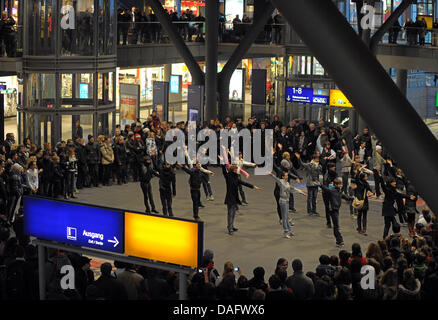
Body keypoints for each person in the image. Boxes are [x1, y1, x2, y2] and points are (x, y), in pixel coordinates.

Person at [219, 160, 261, 235]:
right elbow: (224, 171)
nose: (237, 170)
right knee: (230, 213)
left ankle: (231, 226)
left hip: (235, 197)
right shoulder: (228, 176)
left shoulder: (236, 178)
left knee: (233, 213)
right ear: (233, 170)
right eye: (236, 169)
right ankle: (230, 229)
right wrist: (222, 163)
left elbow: (244, 183)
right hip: (230, 197)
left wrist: (253, 186)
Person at [268, 171, 304, 238]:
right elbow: (276, 179)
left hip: (286, 201)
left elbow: (292, 189)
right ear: (283, 177)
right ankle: (286, 232)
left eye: (287, 175)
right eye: (286, 176)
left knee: (287, 217)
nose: (287, 177)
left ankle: (289, 231)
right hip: (283, 201)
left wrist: (301, 192)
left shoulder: (287, 183)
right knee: (284, 218)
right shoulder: (281, 182)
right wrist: (271, 175)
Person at [320, 178, 353, 247]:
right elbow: (325, 188)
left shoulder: (339, 191)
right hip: (333, 209)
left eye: (341, 184)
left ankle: (339, 241)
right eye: (339, 184)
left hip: (336, 209)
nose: (341, 185)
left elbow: (346, 197)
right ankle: (339, 241)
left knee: (336, 226)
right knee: (336, 226)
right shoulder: (332, 191)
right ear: (335, 185)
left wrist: (353, 198)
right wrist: (319, 184)